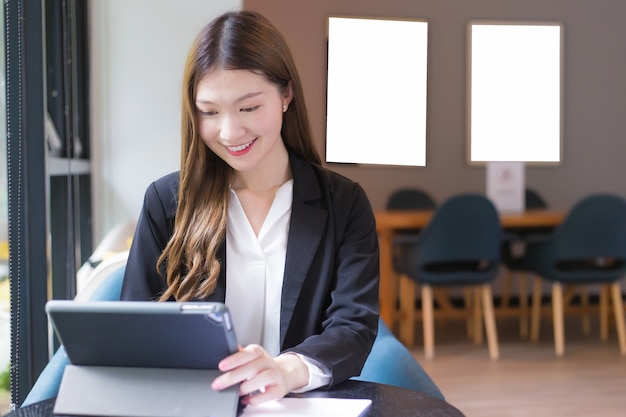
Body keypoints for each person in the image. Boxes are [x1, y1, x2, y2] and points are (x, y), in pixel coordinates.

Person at [120, 10, 380, 406]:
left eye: (248, 108)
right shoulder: (165, 203)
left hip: (298, 406)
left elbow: (354, 325)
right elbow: (134, 329)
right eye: (209, 112)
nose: (229, 132)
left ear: (286, 94)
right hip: (191, 407)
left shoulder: (345, 203)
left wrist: (286, 370)